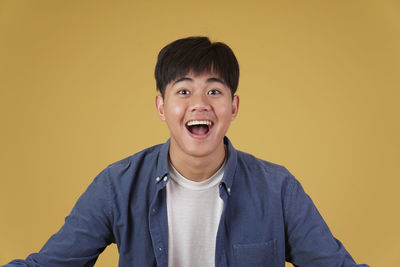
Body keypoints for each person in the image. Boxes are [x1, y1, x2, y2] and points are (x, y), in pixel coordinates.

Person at [5, 36, 368, 267]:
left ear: (234, 106)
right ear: (161, 107)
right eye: (183, 91)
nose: (199, 104)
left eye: (214, 91)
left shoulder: (278, 189)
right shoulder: (118, 185)